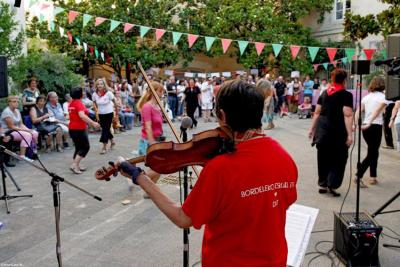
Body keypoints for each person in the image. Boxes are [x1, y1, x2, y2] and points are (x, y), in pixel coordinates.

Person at [119, 80, 298, 266]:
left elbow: (183, 218)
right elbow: (283, 202)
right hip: (275, 260)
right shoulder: (284, 156)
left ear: (222, 115)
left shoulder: (220, 168)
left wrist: (141, 178)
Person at [309, 69, 353, 197]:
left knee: (323, 158)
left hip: (322, 132)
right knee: (339, 159)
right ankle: (332, 184)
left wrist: (312, 129)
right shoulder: (346, 95)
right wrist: (350, 135)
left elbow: (316, 112)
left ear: (332, 79)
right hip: (337, 133)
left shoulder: (324, 93)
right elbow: (348, 115)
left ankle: (323, 184)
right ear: (344, 80)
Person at [355, 77, 388, 186]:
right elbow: (378, 111)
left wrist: (355, 124)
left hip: (365, 127)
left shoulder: (366, 97)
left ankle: (373, 177)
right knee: (373, 153)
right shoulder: (384, 97)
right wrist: (370, 121)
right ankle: (358, 175)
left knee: (373, 151)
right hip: (375, 126)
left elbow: (358, 111)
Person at [68, 87, 100, 174]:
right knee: (85, 147)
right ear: (80, 94)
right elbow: (81, 115)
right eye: (83, 92)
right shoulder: (79, 103)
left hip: (72, 128)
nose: (84, 93)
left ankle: (76, 165)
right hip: (79, 129)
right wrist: (93, 123)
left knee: (78, 147)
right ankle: (74, 165)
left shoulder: (71, 103)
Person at [1, 96, 39, 160]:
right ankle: (22, 156)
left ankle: (31, 153)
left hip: (17, 130)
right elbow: (12, 127)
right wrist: (27, 131)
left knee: (34, 133)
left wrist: (28, 129)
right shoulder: (6, 112)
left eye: (17, 102)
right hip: (9, 131)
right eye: (14, 102)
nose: (16, 103)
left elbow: (21, 124)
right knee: (27, 135)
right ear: (9, 103)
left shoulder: (17, 111)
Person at [92, 78, 118, 154]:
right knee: (105, 129)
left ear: (104, 85)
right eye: (98, 84)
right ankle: (112, 141)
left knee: (105, 130)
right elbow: (95, 103)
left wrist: (116, 112)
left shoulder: (108, 93)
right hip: (101, 114)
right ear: (96, 85)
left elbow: (115, 102)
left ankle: (104, 147)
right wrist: (97, 111)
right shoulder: (94, 94)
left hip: (109, 113)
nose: (100, 85)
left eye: (101, 84)